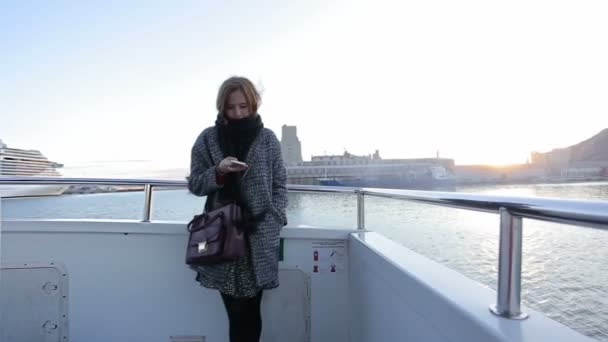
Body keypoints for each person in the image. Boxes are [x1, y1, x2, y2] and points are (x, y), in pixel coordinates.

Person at [187, 76, 287, 342]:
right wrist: (218, 171)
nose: (238, 113)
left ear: (254, 104)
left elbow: (280, 184)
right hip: (223, 234)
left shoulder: (267, 139)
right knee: (234, 310)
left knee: (253, 310)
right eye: (231, 107)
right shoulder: (208, 139)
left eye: (243, 106)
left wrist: (276, 218)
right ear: (222, 107)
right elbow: (196, 184)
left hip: (259, 234)